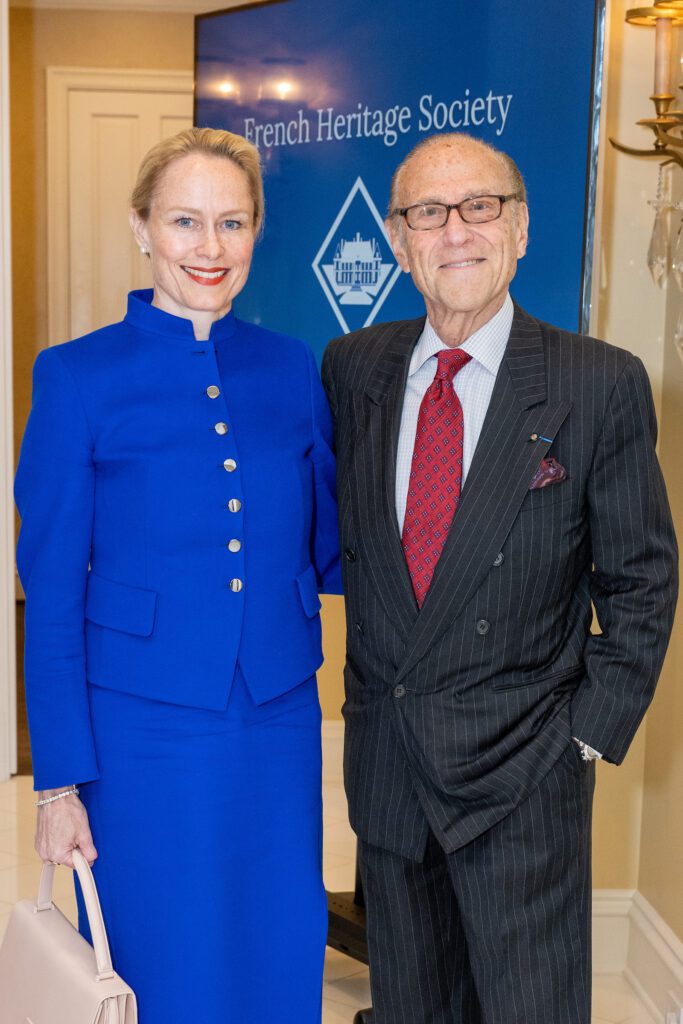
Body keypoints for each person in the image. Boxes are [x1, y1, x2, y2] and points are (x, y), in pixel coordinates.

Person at [322, 132, 678, 1024]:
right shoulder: (352, 368)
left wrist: (583, 739)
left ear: (518, 229)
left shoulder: (596, 382)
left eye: (478, 207)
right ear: (397, 243)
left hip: (525, 772)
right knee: (411, 1007)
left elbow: (640, 577)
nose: (455, 233)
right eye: (426, 214)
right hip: (391, 770)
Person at [15, 126, 341, 1023]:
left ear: (256, 233)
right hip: (140, 731)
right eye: (186, 221)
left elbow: (331, 544)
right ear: (142, 228)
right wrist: (58, 783)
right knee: (165, 960)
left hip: (275, 719)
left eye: (232, 224)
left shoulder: (288, 365)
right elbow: (52, 596)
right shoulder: (77, 377)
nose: (210, 248)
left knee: (277, 940)